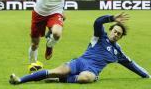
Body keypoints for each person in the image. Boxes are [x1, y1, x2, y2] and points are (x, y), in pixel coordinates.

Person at [10, 13, 150, 84]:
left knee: (86, 78)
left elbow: (132, 65)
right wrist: (112, 17)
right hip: (80, 62)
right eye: (114, 31)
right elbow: (98, 21)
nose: (116, 34)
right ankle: (20, 80)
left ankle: (60, 80)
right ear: (110, 30)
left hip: (92, 71)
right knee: (56, 71)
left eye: (119, 34)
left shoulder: (118, 52)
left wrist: (147, 75)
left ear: (120, 37)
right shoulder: (100, 36)